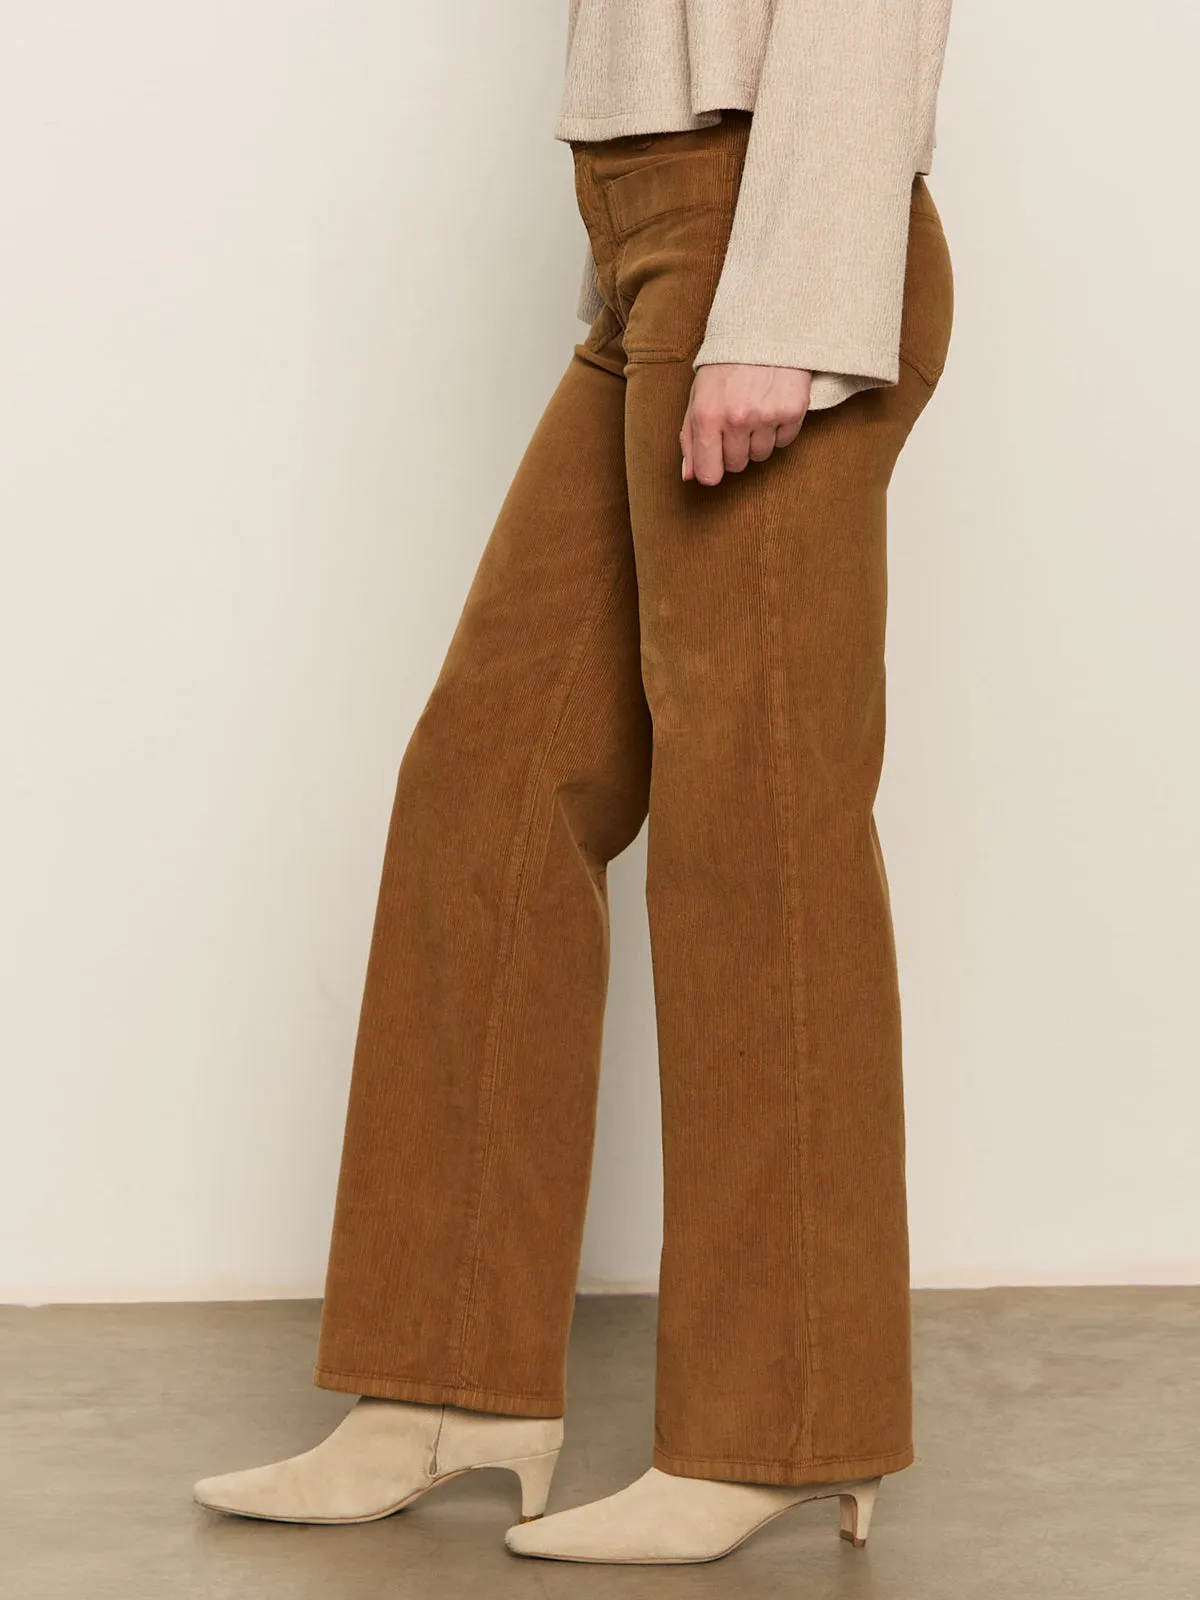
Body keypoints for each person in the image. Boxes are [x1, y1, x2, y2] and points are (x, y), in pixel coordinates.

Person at [194, 0, 954, 1566]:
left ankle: (782, 1423)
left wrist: (789, 303)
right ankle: (448, 1386)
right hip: (656, 238)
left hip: (763, 241)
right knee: (492, 780)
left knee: (759, 836)